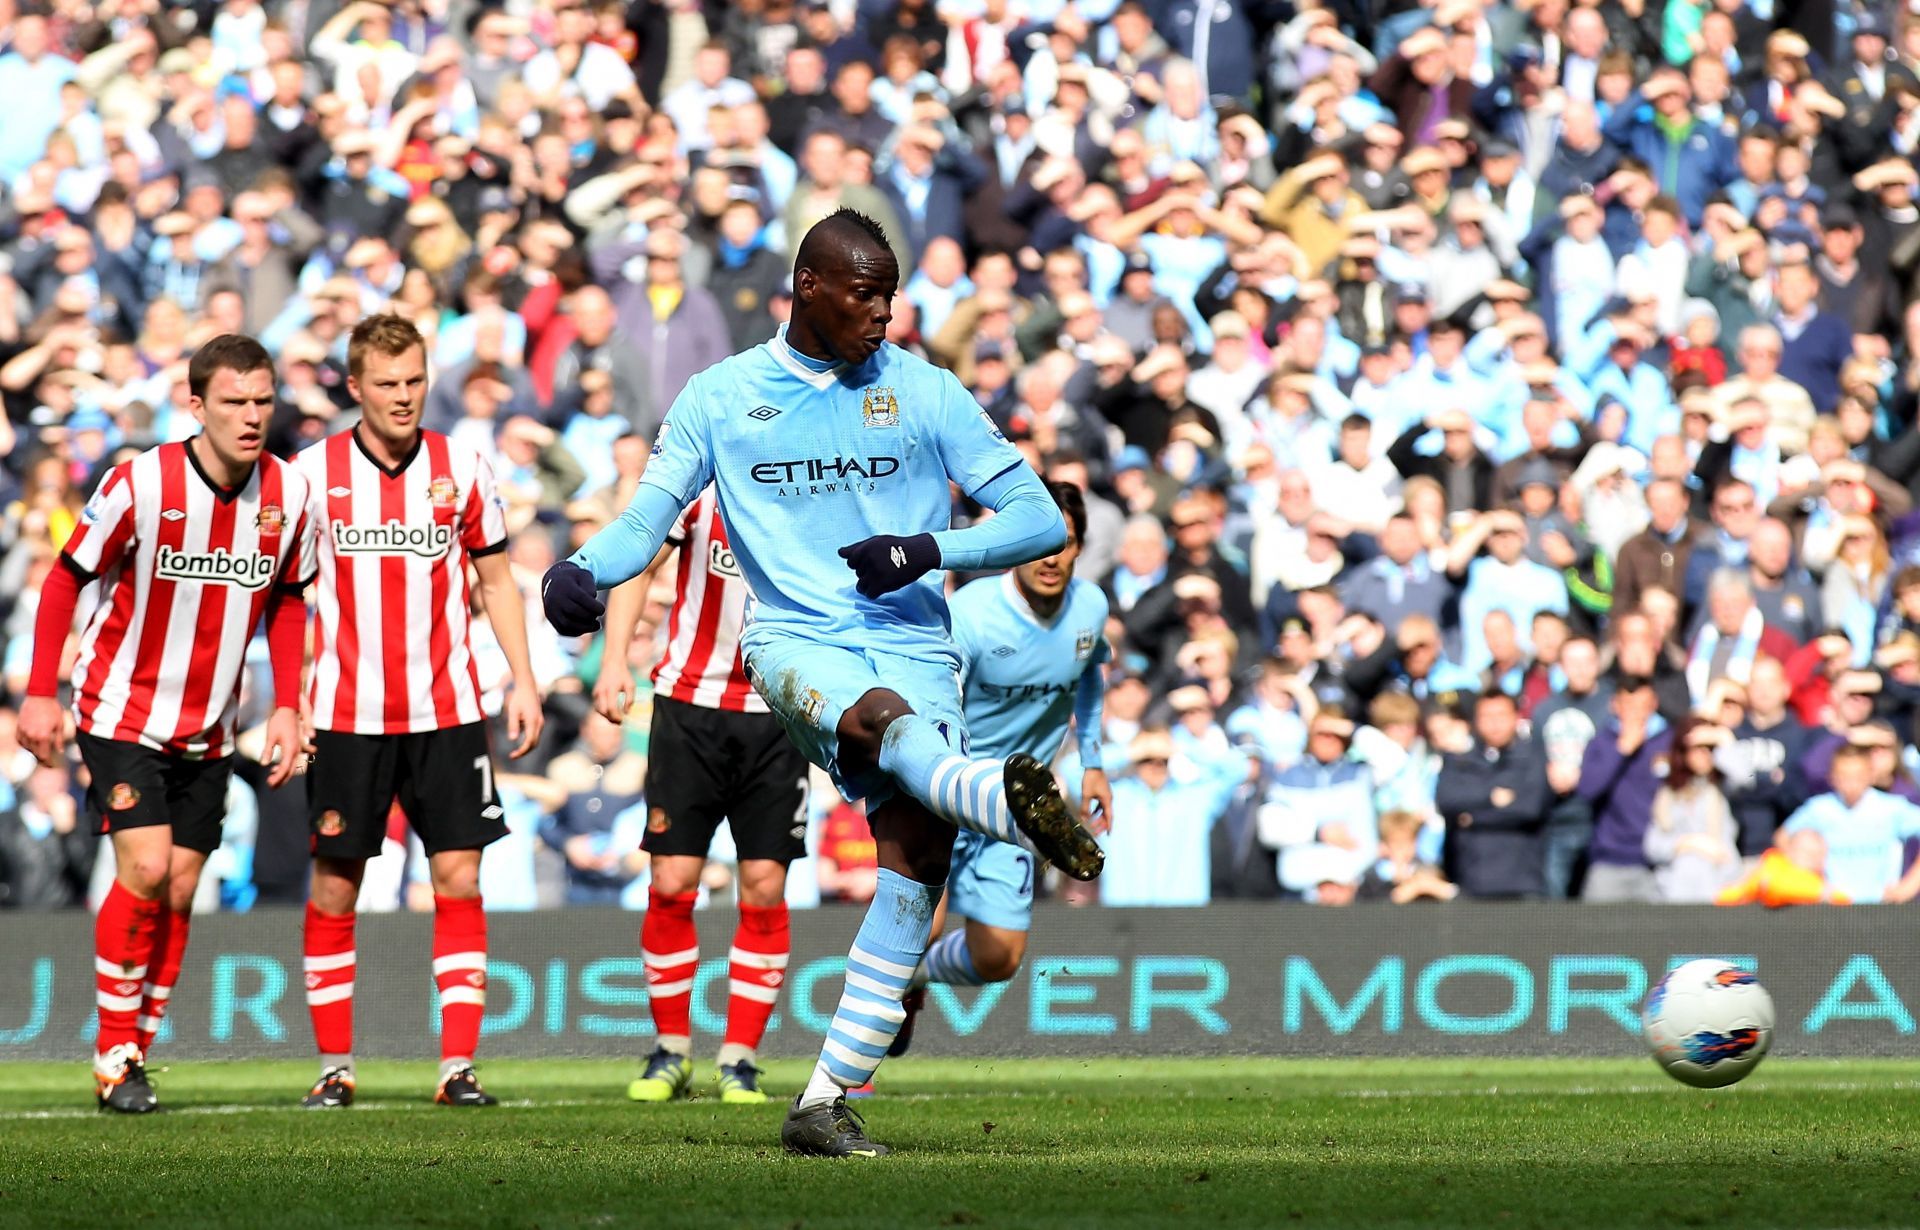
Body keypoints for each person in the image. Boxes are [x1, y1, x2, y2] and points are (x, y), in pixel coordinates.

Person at [542, 209, 1100, 1158]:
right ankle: (998, 803)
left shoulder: (924, 390)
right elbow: (648, 518)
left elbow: (1039, 519)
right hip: (798, 640)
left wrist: (931, 547)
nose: (884, 311)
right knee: (881, 727)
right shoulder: (722, 397)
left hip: (919, 644)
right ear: (810, 287)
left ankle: (821, 1102)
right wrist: (583, 572)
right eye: (866, 293)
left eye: (890, 293)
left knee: (916, 857)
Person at [20, 334, 313, 1112]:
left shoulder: (290, 494)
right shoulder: (140, 483)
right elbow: (64, 579)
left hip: (213, 726)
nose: (252, 417)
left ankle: (135, 1052)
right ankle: (114, 1051)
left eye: (262, 400)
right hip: (121, 708)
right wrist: (42, 691)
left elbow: (288, 600)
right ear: (196, 405)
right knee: (144, 869)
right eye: (233, 402)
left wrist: (287, 702)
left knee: (181, 891)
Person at [293, 314, 545, 1111]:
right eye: (387, 384)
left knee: (459, 878)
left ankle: (457, 1068)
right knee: (336, 887)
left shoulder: (461, 465)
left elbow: (498, 581)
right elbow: (284, 596)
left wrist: (524, 679)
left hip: (447, 709)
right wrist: (285, 701)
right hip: (344, 712)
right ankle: (335, 1067)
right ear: (355, 386)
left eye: (414, 382)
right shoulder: (309, 474)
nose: (403, 398)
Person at [589, 485, 812, 1107]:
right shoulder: (700, 492)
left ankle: (739, 1059)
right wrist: (614, 663)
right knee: (671, 880)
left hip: (780, 711)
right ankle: (672, 1052)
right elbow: (636, 562)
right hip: (688, 709)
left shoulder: (817, 490)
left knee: (765, 885)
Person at [889, 482, 1112, 1058]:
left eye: (1062, 543)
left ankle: (912, 981)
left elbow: (1088, 674)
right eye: (1038, 542)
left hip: (1017, 809)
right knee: (920, 927)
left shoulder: (1091, 608)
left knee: (999, 959)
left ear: (1079, 548)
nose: (1048, 556)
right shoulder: (972, 615)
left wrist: (1093, 763)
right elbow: (930, 695)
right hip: (949, 790)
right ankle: (849, 1075)